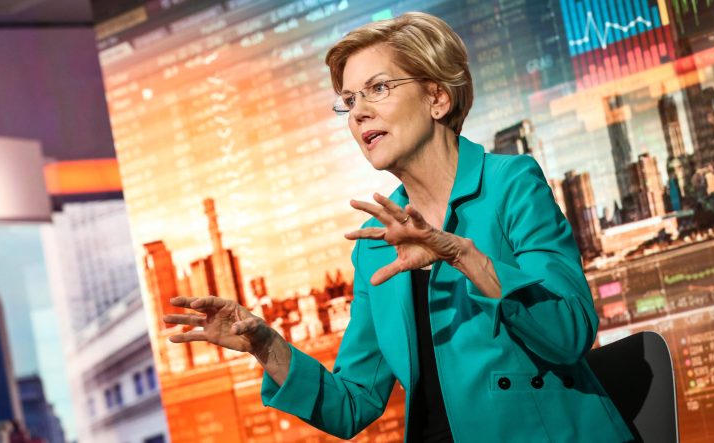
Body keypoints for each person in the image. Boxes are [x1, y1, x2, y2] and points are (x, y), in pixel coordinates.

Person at [165, 11, 634, 442]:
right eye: (349, 100)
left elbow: (570, 333)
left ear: (437, 97)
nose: (359, 112)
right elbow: (354, 402)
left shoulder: (511, 185)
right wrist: (266, 346)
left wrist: (458, 254)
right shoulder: (376, 244)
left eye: (379, 88)